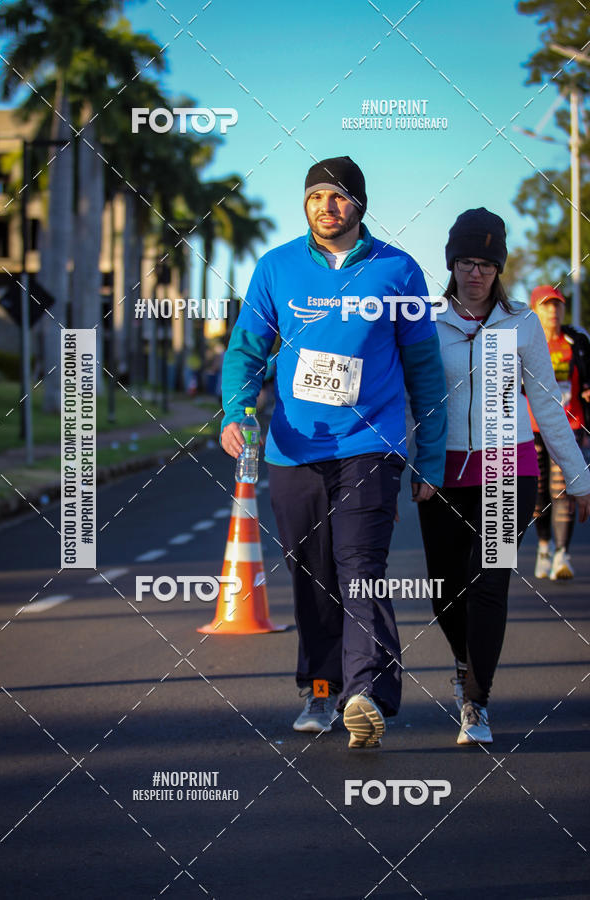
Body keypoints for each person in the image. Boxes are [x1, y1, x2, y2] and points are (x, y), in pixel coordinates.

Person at [220, 156, 447, 749]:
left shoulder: (398, 272)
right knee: (311, 573)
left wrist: (432, 453)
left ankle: (364, 692)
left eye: (340, 196)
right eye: (317, 194)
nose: (327, 205)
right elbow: (246, 350)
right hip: (293, 449)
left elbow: (424, 369)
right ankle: (321, 691)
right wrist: (238, 410)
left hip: (370, 445)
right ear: (306, 203)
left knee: (361, 567)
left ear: (360, 205)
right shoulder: (276, 268)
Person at [417, 208, 590, 746]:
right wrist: (417, 466)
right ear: (452, 264)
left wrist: (578, 476)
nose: (476, 274)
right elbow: (412, 401)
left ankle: (477, 702)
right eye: (467, 262)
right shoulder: (426, 320)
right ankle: (463, 664)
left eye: (487, 264)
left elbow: (546, 400)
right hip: (443, 471)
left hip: (507, 468)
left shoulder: (521, 324)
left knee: (488, 580)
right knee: (445, 591)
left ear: (499, 268)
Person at [527, 285, 590, 580]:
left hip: (570, 424)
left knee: (562, 488)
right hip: (532, 427)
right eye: (547, 305)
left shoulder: (576, 340)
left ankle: (562, 555)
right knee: (538, 491)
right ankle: (544, 546)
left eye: (558, 305)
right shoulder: (524, 341)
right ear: (535, 310)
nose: (553, 311)